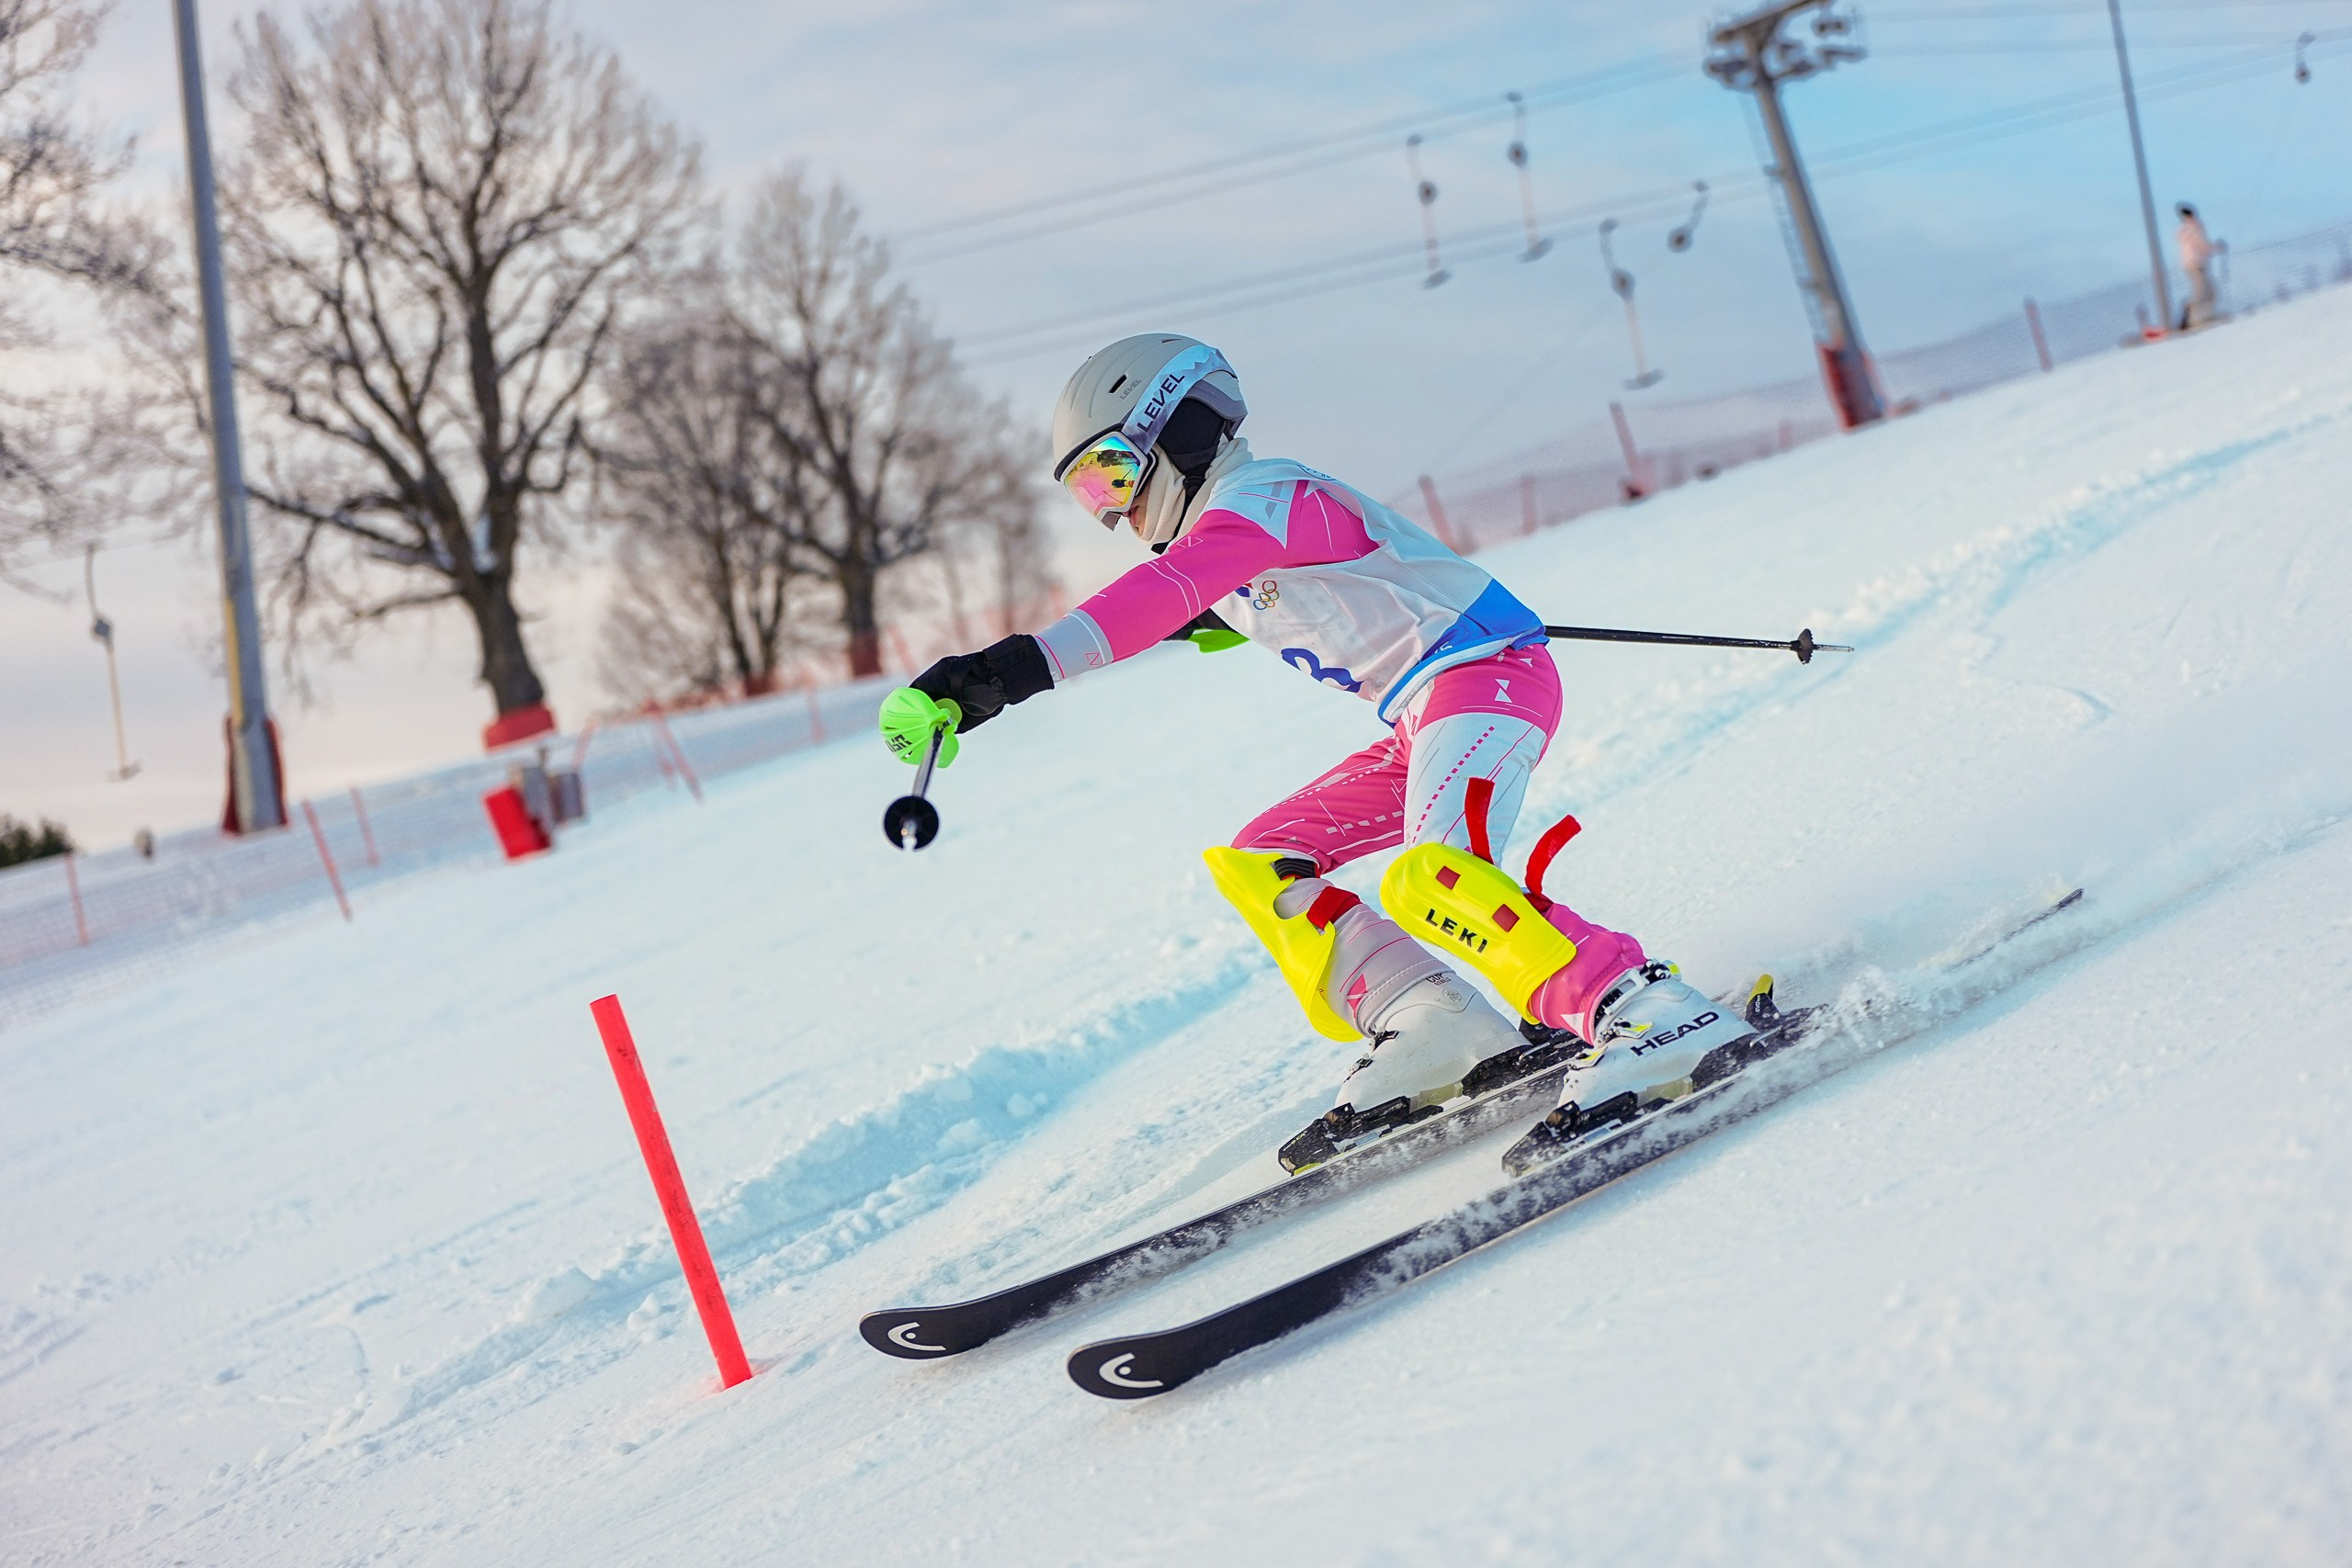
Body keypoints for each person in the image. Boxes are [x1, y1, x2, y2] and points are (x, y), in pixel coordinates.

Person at [880, 333, 1752, 1169]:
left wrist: (993, 676)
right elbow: (1198, 608)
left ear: (1176, 431)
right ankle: (1434, 1020)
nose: (1112, 508)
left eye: (1113, 472)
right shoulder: (1225, 547)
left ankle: (1644, 1009)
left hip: (1486, 678)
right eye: (1089, 494)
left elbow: (1161, 595)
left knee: (1431, 873)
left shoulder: (1263, 497)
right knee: (1259, 859)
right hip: (1421, 717)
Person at [2177, 204, 2218, 331]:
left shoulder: (2186, 230)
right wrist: (2216, 248)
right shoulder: (2193, 229)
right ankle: (2194, 320)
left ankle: (2200, 317)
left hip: (2194, 264)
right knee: (2203, 292)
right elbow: (2202, 245)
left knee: (2206, 291)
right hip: (2197, 264)